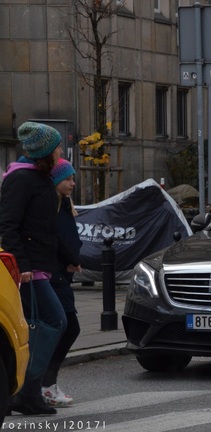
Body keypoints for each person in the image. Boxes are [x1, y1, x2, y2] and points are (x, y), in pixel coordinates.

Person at [0, 121, 67, 416]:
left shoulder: (41, 177)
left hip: (41, 264)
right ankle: (27, 390)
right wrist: (23, 266)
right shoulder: (21, 180)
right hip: (28, 268)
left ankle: (27, 391)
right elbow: (9, 225)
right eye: (58, 147)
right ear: (47, 152)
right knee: (54, 321)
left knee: (47, 323)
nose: (61, 151)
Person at [41, 159, 82, 407]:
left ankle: (44, 382)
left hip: (62, 274)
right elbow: (56, 238)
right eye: (68, 179)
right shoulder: (52, 207)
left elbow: (69, 237)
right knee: (67, 326)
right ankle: (45, 382)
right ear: (56, 181)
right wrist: (70, 259)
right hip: (53, 275)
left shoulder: (65, 205)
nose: (73, 183)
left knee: (64, 327)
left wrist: (73, 260)